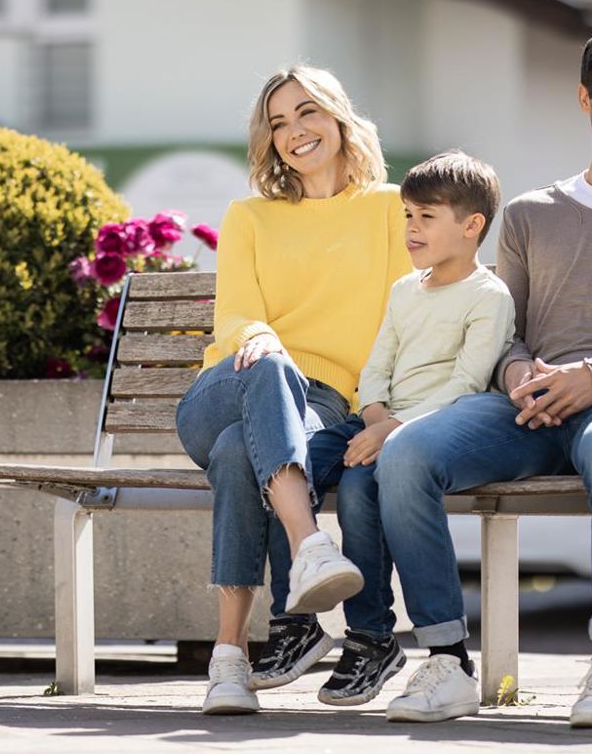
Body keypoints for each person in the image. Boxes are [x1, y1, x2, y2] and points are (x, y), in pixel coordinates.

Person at [352, 26, 592, 727]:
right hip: (526, 408)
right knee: (406, 453)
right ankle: (445, 660)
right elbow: (508, 327)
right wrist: (520, 366)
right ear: (585, 98)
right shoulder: (531, 213)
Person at [174, 66, 411, 716]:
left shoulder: (389, 208)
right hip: (233, 382)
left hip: (324, 401)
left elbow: (404, 318)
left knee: (234, 456)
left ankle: (231, 657)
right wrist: (263, 339)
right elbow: (235, 317)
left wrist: (383, 409)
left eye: (306, 113)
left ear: (338, 117)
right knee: (268, 373)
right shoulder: (249, 215)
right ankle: (310, 547)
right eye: (278, 122)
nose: (294, 131)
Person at [289, 150, 516, 708]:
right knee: (291, 466)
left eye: (426, 217)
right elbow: (376, 367)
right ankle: (291, 620)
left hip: (426, 427)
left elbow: (466, 386)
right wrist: (372, 417)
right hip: (372, 419)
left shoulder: (490, 297)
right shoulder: (403, 289)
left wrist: (393, 430)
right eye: (408, 215)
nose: (411, 229)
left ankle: (371, 635)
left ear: (472, 226)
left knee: (364, 489)